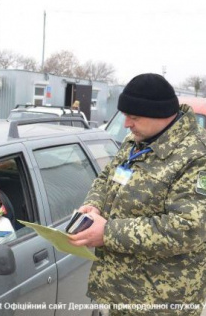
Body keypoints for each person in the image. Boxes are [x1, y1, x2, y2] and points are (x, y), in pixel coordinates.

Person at [68, 73, 206, 315]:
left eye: (134, 117)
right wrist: (94, 204)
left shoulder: (196, 157)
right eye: (125, 116)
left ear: (162, 115)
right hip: (119, 293)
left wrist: (108, 232)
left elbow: (188, 228)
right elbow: (107, 176)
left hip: (162, 303)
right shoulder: (136, 141)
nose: (127, 125)